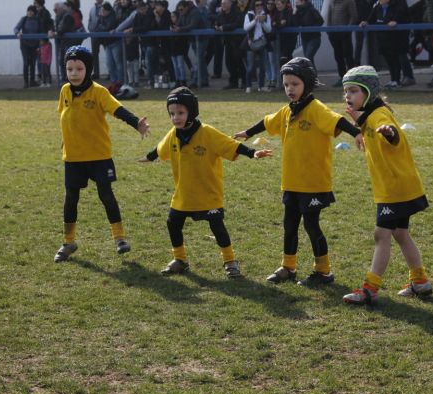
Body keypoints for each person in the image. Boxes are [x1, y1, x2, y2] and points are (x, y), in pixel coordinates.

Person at [234, 57, 360, 286]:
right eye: (286, 85)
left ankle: (324, 272)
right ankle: (288, 267)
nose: (290, 89)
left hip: (313, 183)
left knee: (311, 225)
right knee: (289, 225)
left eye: (295, 84)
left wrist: (357, 134)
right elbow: (267, 121)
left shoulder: (316, 109)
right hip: (291, 181)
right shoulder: (286, 111)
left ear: (307, 84)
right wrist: (247, 132)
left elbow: (338, 121)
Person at [140, 87, 272, 278]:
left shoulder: (207, 133)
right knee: (172, 223)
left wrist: (252, 153)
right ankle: (180, 260)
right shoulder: (174, 133)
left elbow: (231, 145)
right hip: (184, 193)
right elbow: (161, 148)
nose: (175, 118)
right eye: (172, 114)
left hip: (208, 193)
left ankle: (230, 262)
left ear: (192, 112)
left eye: (180, 113)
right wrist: (149, 157)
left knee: (217, 226)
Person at [341, 65, 432, 305]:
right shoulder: (370, 115)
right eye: (346, 91)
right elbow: (369, 125)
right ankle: (420, 281)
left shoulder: (379, 116)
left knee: (382, 234)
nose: (348, 96)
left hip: (395, 189)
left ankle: (370, 288)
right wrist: (360, 124)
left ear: (369, 93)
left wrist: (388, 132)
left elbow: (392, 136)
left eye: (353, 90)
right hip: (398, 185)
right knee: (400, 233)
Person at [54, 45, 150, 263]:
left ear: (88, 69)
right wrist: (64, 139)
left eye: (79, 69)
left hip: (98, 156)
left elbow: (118, 110)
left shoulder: (98, 92)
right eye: (69, 69)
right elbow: (64, 117)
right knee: (71, 199)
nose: (74, 73)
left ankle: (119, 238)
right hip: (73, 157)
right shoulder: (64, 91)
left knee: (106, 195)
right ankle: (68, 241)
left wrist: (137, 123)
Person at [360, 0, 408, 89]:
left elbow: (402, 17)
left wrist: (395, 21)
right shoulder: (377, 7)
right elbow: (371, 18)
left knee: (395, 60)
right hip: (382, 38)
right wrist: (365, 22)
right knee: (389, 60)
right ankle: (392, 79)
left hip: (394, 38)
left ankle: (396, 81)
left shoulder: (396, 5)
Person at [174, 0, 210, 88]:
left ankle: (195, 81)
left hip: (201, 39)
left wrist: (179, 29)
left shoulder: (195, 12)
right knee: (200, 60)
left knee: (198, 60)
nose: (180, 11)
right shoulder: (183, 13)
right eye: (179, 10)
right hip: (194, 40)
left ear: (186, 7)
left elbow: (192, 25)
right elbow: (179, 24)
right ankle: (204, 80)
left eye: (181, 9)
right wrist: (175, 27)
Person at [326, 0, 358, 87]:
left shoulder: (349, 1)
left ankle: (352, 78)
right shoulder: (331, 2)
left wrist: (347, 29)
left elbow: (353, 16)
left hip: (345, 34)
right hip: (334, 34)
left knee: (348, 56)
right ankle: (342, 78)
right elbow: (329, 17)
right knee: (338, 56)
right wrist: (329, 31)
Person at [243, 0, 272, 93]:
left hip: (262, 43)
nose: (259, 6)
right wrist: (255, 20)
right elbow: (246, 28)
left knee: (263, 66)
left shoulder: (266, 16)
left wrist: (262, 22)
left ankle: (261, 86)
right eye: (257, 5)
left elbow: (269, 30)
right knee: (250, 66)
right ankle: (248, 86)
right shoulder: (249, 15)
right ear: (253, 6)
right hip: (251, 43)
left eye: (261, 5)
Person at [215, 0, 245, 89]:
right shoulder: (221, 14)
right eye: (222, 3)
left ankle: (244, 81)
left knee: (239, 62)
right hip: (227, 42)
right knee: (229, 62)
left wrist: (224, 27)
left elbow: (237, 24)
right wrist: (216, 26)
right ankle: (233, 82)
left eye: (225, 3)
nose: (222, 5)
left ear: (230, 3)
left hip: (237, 42)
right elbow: (217, 22)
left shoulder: (237, 12)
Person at [15, 5, 44, 88]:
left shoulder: (38, 21)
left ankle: (32, 81)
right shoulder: (24, 19)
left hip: (35, 45)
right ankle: (26, 82)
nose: (30, 12)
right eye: (28, 11)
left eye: (31, 11)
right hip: (24, 44)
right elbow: (16, 28)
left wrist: (40, 42)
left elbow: (41, 31)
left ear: (34, 12)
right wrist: (18, 33)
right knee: (26, 63)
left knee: (32, 63)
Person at [292, 0, 324, 68]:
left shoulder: (311, 9)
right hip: (305, 38)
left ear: (303, 1)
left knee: (308, 56)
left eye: (297, 2)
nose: (296, 4)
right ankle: (312, 75)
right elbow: (296, 24)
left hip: (314, 38)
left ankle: (312, 75)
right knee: (308, 58)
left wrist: (312, 29)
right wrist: (294, 14)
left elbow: (320, 21)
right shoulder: (298, 11)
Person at [274, 0, 295, 66]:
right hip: (280, 39)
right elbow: (274, 24)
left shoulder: (289, 12)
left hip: (289, 39)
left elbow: (286, 24)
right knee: (283, 58)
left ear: (284, 4)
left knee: (286, 58)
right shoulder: (276, 13)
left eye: (279, 4)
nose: (277, 6)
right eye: (276, 4)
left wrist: (278, 24)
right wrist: (279, 23)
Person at [88, 0, 104, 79]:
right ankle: (96, 73)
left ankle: (111, 73)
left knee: (108, 53)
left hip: (104, 34)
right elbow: (90, 20)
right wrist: (90, 29)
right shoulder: (92, 9)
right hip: (94, 35)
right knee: (94, 54)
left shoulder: (106, 6)